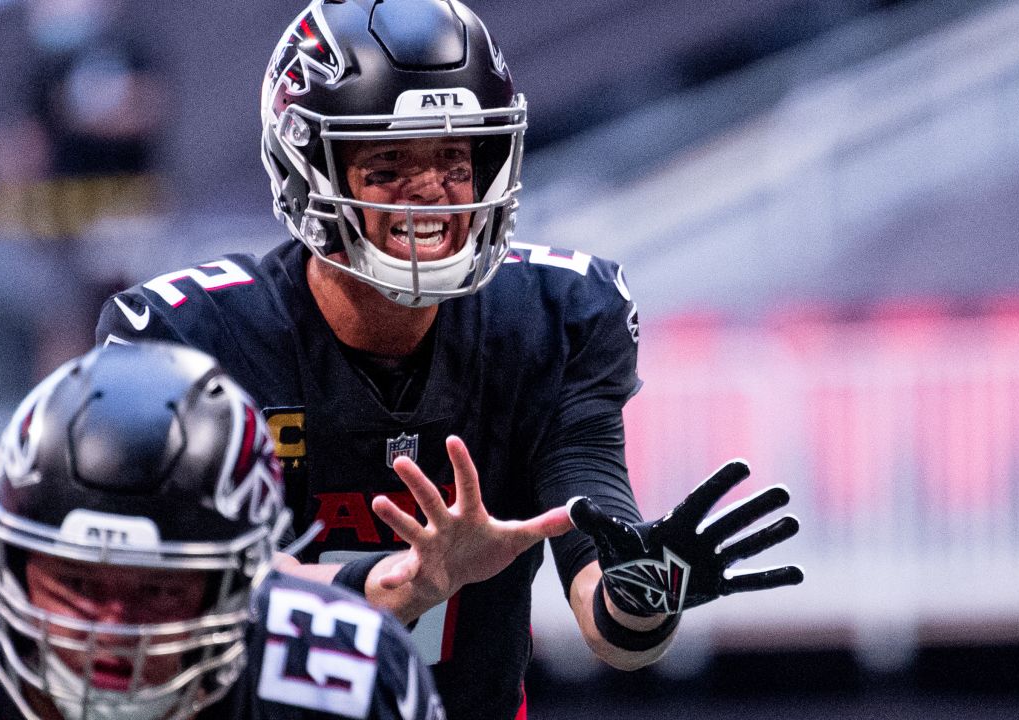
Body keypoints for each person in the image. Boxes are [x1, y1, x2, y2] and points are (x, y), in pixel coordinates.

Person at [96, 1, 804, 718]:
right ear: (306, 167)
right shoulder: (193, 340)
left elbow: (611, 619)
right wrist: (404, 583)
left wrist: (644, 596)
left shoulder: (555, 318)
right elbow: (178, 594)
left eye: (454, 157)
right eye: (390, 162)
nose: (432, 188)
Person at [0, 341, 444, 720]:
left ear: (236, 585)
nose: (114, 630)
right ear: (8, 564)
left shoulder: (341, 677)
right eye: (78, 586)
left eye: (158, 589)